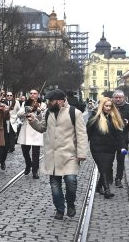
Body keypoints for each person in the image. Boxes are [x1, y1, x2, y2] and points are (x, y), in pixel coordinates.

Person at [28, 89, 88, 220]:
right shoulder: (48, 112)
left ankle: (70, 203)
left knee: (71, 181)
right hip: (53, 156)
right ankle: (60, 209)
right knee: (55, 185)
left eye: (51, 100)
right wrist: (33, 120)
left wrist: (82, 153)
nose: (49, 103)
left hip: (69, 155)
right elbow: (42, 128)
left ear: (60, 101)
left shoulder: (74, 113)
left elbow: (82, 134)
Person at [87, 97, 125, 198]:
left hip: (110, 148)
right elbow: (87, 132)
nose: (108, 108)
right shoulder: (95, 117)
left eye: (110, 106)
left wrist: (123, 147)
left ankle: (99, 186)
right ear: (102, 106)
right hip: (97, 148)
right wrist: (81, 148)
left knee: (107, 168)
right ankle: (107, 190)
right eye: (106, 106)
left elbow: (119, 135)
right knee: (103, 167)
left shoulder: (115, 118)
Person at [111, 90, 129, 187]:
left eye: (120, 97)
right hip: (109, 138)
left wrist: (128, 122)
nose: (118, 99)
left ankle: (118, 178)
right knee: (109, 159)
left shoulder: (128, 107)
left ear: (123, 98)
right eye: (116, 97)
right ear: (113, 98)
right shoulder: (109, 106)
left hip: (123, 139)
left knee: (121, 159)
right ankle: (109, 176)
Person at [16, 89, 44, 179]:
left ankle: (35, 171)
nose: (32, 95)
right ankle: (28, 164)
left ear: (38, 95)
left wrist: (38, 111)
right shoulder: (25, 103)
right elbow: (18, 114)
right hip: (26, 130)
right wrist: (26, 111)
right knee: (25, 151)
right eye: (31, 93)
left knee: (36, 153)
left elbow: (42, 118)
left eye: (34, 93)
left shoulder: (42, 104)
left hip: (36, 130)